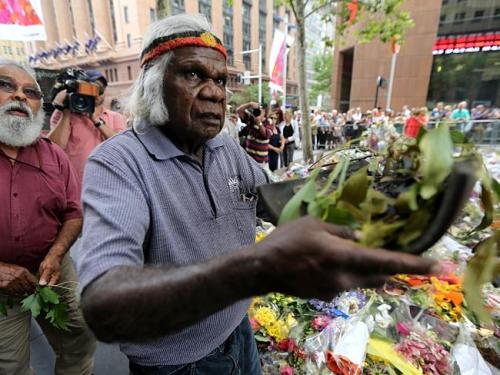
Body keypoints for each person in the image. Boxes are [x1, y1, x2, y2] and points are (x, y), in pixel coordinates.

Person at [76, 14, 436, 375]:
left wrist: (363, 186)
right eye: (193, 74)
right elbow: (104, 303)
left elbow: (274, 198)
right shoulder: (118, 163)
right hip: (177, 364)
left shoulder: (224, 148)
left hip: (239, 334)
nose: (215, 91)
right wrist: (256, 269)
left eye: (220, 79)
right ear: (153, 83)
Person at [0, 59, 96, 374]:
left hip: (52, 268)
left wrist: (55, 254)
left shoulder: (52, 154)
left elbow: (73, 211)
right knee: (10, 365)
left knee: (80, 333)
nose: (20, 97)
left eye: (31, 92)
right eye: (6, 86)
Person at [48, 70, 126, 186]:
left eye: (100, 89)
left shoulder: (115, 117)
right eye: (91, 88)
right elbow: (55, 148)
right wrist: (66, 112)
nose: (96, 94)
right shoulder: (63, 114)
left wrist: (95, 119)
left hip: (109, 182)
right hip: (76, 185)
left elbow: (121, 146)